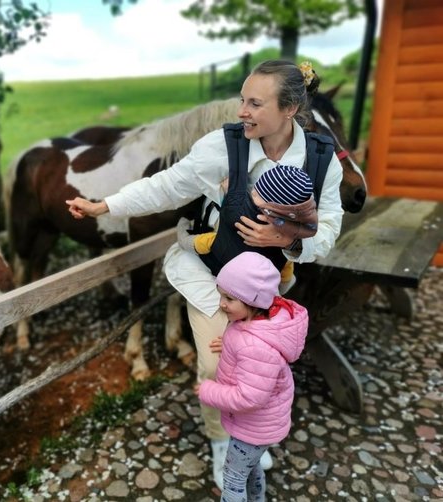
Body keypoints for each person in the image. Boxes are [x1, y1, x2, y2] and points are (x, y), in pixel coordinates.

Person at [66, 59, 344, 489]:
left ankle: (252, 439)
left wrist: (284, 237)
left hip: (268, 282)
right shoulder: (223, 145)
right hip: (210, 273)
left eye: (255, 103)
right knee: (218, 365)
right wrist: (106, 205)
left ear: (289, 109)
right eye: (242, 100)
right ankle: (222, 442)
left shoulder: (322, 161)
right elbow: (168, 184)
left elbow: (327, 229)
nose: (242, 112)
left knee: (265, 367)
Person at [196, 251, 308, 502]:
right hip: (256, 423)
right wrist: (229, 343)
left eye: (229, 298)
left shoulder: (255, 346)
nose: (221, 303)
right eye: (221, 294)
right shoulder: (255, 324)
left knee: (233, 479)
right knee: (252, 469)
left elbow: (249, 396)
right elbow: (248, 345)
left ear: (253, 301)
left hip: (254, 425)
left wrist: (209, 391)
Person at [176, 164, 318, 293]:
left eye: (256, 193)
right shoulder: (285, 238)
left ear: (271, 208)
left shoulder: (237, 215)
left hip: (219, 272)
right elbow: (286, 273)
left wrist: (183, 229)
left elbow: (198, 242)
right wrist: (280, 290)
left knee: (200, 242)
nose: (252, 192)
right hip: (257, 289)